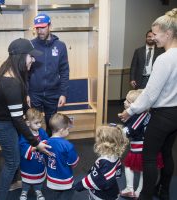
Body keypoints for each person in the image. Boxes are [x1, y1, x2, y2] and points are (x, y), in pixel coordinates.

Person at [118, 8, 177, 200]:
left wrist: (131, 111)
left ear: (168, 34)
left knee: (148, 158)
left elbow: (150, 94)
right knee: (167, 153)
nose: (153, 38)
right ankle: (165, 191)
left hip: (163, 115)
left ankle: (145, 196)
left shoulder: (164, 59)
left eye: (156, 34)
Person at [0, 38, 51, 200]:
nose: (33, 60)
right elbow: (17, 120)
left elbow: (17, 108)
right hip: (2, 124)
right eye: (31, 56)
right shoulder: (11, 83)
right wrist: (36, 143)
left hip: (5, 119)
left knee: (14, 154)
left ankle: (15, 182)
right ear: (21, 57)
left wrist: (26, 107)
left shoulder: (12, 72)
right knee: (12, 161)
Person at [28, 13, 70, 136]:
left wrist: (63, 93)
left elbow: (64, 71)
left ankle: (51, 148)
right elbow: (25, 72)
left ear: (50, 26)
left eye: (43, 27)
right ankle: (37, 148)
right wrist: (26, 94)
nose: (40, 31)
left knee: (52, 124)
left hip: (53, 92)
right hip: (34, 93)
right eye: (37, 28)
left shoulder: (60, 46)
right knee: (34, 124)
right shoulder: (30, 45)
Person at [120, 90, 163, 199]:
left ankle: (132, 189)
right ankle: (138, 190)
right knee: (144, 169)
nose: (125, 102)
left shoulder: (139, 116)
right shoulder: (143, 113)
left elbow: (131, 130)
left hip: (140, 147)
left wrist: (118, 131)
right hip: (146, 145)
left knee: (130, 166)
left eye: (128, 102)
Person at [73, 125, 129, 200]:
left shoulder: (105, 162)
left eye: (98, 139)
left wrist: (79, 186)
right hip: (112, 190)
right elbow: (118, 174)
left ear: (104, 143)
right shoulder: (114, 155)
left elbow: (94, 180)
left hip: (102, 195)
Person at [44, 113, 79, 200]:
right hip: (64, 179)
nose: (68, 131)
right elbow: (73, 163)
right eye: (67, 129)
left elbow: (44, 158)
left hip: (51, 179)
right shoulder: (68, 145)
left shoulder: (45, 143)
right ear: (61, 130)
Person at [19, 108, 49, 200]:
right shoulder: (25, 134)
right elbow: (22, 146)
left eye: (40, 122)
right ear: (28, 123)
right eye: (36, 123)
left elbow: (47, 140)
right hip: (28, 164)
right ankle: (24, 191)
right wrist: (37, 147)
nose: (39, 125)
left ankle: (38, 191)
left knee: (39, 179)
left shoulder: (41, 132)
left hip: (39, 162)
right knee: (26, 180)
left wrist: (45, 143)